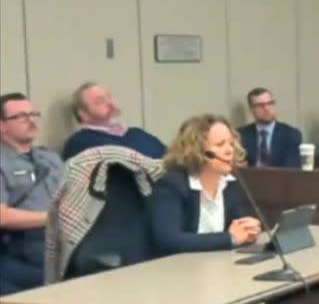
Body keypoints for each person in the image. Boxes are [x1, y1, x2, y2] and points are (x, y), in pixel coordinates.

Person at [150, 114, 261, 256]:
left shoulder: (229, 183)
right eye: (220, 145)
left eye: (231, 144)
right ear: (198, 151)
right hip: (178, 269)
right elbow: (169, 239)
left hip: (218, 265)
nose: (230, 151)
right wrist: (229, 238)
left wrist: (249, 230)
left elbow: (238, 229)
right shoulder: (171, 185)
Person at [0, 93, 64, 295]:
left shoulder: (50, 158)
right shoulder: (3, 162)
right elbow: (2, 216)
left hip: (68, 238)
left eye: (33, 114)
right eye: (21, 116)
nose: (31, 120)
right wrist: (54, 218)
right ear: (2, 126)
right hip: (27, 245)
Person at [62, 82, 166, 161]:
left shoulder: (138, 133)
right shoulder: (80, 142)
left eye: (109, 97)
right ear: (83, 114)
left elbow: (170, 158)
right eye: (100, 101)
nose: (110, 103)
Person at [237, 87, 303, 168]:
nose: (267, 108)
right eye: (260, 105)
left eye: (270, 103)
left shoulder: (291, 135)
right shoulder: (241, 135)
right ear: (251, 110)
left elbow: (292, 170)